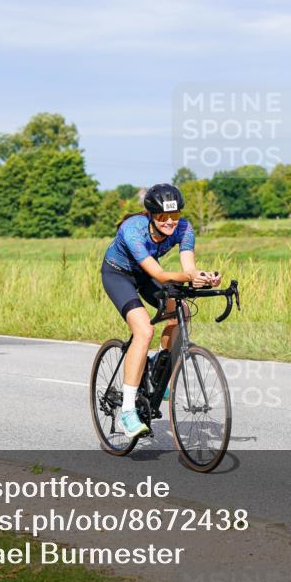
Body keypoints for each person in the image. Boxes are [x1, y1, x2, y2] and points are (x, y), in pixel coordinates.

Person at [101, 183, 221, 438]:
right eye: (163, 217)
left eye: (174, 216)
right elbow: (159, 273)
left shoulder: (185, 228)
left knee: (183, 311)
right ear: (151, 216)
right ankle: (127, 412)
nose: (170, 222)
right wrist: (190, 277)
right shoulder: (133, 230)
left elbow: (188, 266)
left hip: (146, 275)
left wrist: (202, 276)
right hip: (119, 275)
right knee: (144, 330)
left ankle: (159, 362)